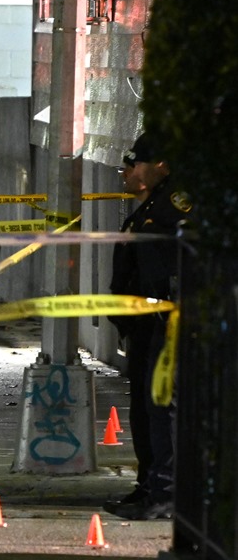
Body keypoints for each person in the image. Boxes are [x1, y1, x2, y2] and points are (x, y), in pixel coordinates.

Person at [104, 132, 190, 521]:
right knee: (147, 408)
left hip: (172, 321)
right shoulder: (148, 207)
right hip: (147, 322)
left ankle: (166, 494)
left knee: (163, 408)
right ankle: (151, 487)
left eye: (135, 163)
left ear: (161, 166)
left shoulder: (176, 204)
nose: (127, 170)